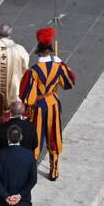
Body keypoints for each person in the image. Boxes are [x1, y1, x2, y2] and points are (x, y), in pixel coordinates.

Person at [18, 28, 74, 179]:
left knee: (35, 137)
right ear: (50, 51)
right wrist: (61, 63)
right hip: (53, 104)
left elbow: (25, 95)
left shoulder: (33, 71)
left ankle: (31, 170)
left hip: (38, 106)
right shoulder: (58, 67)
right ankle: (54, 169)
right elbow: (69, 83)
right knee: (54, 135)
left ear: (38, 52)